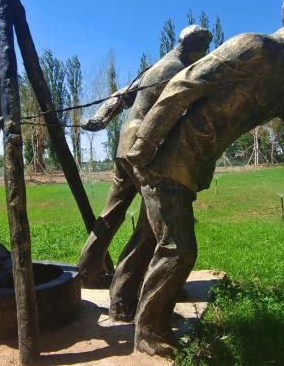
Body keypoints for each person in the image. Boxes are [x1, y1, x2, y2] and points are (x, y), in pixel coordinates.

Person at [123, 0, 284, 356]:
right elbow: (183, 84)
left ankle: (122, 301)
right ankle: (149, 331)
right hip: (170, 154)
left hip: (193, 164)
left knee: (149, 236)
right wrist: (144, 144)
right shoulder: (255, 47)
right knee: (178, 249)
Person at [77, 25, 212, 311]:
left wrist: (100, 118)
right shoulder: (179, 70)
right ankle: (133, 291)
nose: (206, 52)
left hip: (124, 146)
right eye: (203, 46)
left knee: (112, 212)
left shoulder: (157, 66)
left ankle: (88, 269)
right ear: (191, 45)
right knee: (152, 224)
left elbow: (122, 95)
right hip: (144, 150)